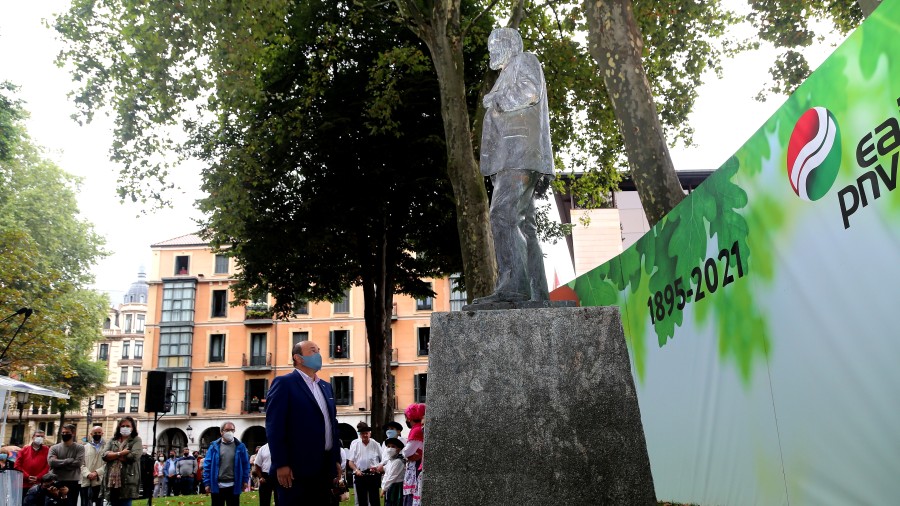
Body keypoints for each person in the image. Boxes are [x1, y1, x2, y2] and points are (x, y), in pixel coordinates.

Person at [473, 27, 553, 306]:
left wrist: (495, 99)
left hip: (518, 154)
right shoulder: (508, 70)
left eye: (495, 45)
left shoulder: (524, 60)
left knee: (502, 214)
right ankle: (536, 292)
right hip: (517, 157)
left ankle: (513, 288)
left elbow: (529, 91)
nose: (491, 52)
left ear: (509, 44)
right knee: (524, 224)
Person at [265, 340, 342, 506]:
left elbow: (332, 424)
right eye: (313, 351)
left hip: (324, 468)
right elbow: (274, 426)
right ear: (298, 358)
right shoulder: (284, 383)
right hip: (295, 470)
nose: (319, 355)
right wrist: (281, 464)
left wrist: (336, 459)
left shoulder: (326, 386)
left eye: (319, 350)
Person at [202, 421, 251, 506]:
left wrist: (245, 480)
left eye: (232, 430)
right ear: (221, 432)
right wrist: (207, 483)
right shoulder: (213, 446)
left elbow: (245, 464)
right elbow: (207, 466)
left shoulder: (240, 446)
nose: (230, 432)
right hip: (217, 485)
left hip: (234, 485)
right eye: (227, 430)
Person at [101, 416, 143, 506]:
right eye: (123, 426)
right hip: (111, 480)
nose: (125, 428)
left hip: (127, 480)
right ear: (119, 427)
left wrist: (112, 455)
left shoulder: (136, 440)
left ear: (133, 428)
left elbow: (133, 457)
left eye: (128, 426)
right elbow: (104, 455)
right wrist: (120, 453)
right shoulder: (113, 440)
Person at [347, 422, 382, 506]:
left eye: (366, 433)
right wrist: (356, 470)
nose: (365, 435)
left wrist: (377, 468)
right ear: (360, 434)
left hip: (373, 475)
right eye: (363, 433)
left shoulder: (376, 444)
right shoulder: (355, 444)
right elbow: (350, 462)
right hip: (360, 475)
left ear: (370, 433)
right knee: (362, 500)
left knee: (374, 500)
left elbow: (383, 459)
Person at [401, 404, 425, 506]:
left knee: (413, 495)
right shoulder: (418, 428)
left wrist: (407, 455)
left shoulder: (416, 430)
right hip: (415, 463)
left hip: (416, 466)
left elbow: (406, 452)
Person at [80, 425, 105, 506]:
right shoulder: (84, 447)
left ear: (102, 433)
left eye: (99, 432)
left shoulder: (107, 447)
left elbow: (108, 464)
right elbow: (81, 463)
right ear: (91, 434)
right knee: (85, 503)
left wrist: (96, 473)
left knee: (99, 503)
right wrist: (88, 474)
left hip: (100, 481)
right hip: (86, 481)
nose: (97, 434)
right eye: (95, 433)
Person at [380, 438, 405, 506]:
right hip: (390, 486)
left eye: (393, 446)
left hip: (396, 487)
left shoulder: (399, 461)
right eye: (388, 446)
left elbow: (392, 476)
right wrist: (383, 487)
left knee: (395, 503)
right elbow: (386, 473)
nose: (390, 448)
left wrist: (384, 488)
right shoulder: (390, 460)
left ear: (398, 449)